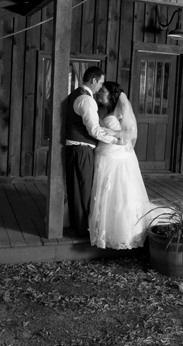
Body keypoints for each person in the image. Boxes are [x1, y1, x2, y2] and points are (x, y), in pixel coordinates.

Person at [89, 81, 155, 249]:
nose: (99, 93)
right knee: (102, 193)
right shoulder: (103, 109)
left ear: (111, 94)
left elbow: (129, 134)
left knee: (119, 195)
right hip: (103, 155)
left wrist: (112, 132)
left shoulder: (122, 109)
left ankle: (122, 233)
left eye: (103, 91)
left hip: (117, 158)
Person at [65, 67, 121, 237]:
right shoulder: (86, 100)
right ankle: (84, 229)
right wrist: (116, 141)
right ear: (94, 81)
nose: (101, 87)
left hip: (74, 148)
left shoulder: (76, 94)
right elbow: (94, 131)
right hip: (81, 149)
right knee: (84, 189)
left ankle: (78, 226)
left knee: (76, 188)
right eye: (101, 83)